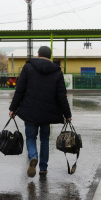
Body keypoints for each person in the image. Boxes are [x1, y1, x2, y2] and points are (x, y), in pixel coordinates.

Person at [9, 46, 72, 178]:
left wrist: (13, 108)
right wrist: (68, 114)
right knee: (44, 139)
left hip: (30, 111)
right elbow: (62, 96)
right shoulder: (57, 71)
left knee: (31, 137)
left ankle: (33, 157)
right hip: (47, 112)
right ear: (50, 56)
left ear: (38, 55)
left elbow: (19, 90)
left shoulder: (28, 68)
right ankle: (43, 168)